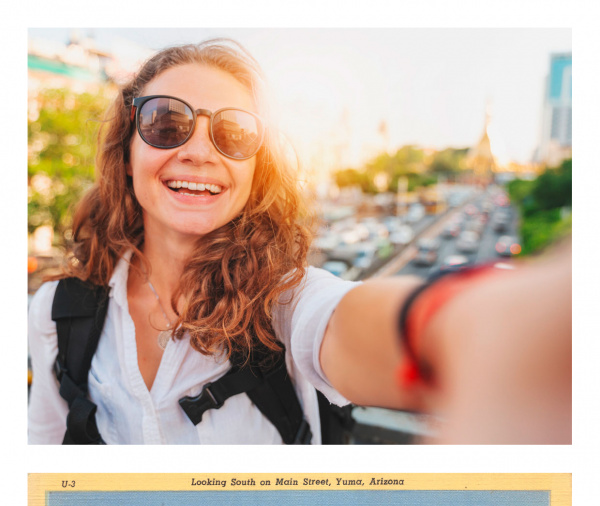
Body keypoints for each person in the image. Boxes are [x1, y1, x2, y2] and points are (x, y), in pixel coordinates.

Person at [28, 38, 571, 446]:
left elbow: (348, 323)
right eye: (167, 122)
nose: (198, 151)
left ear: (256, 169)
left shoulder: (282, 302)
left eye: (233, 133)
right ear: (127, 149)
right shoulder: (57, 312)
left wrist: (474, 327)